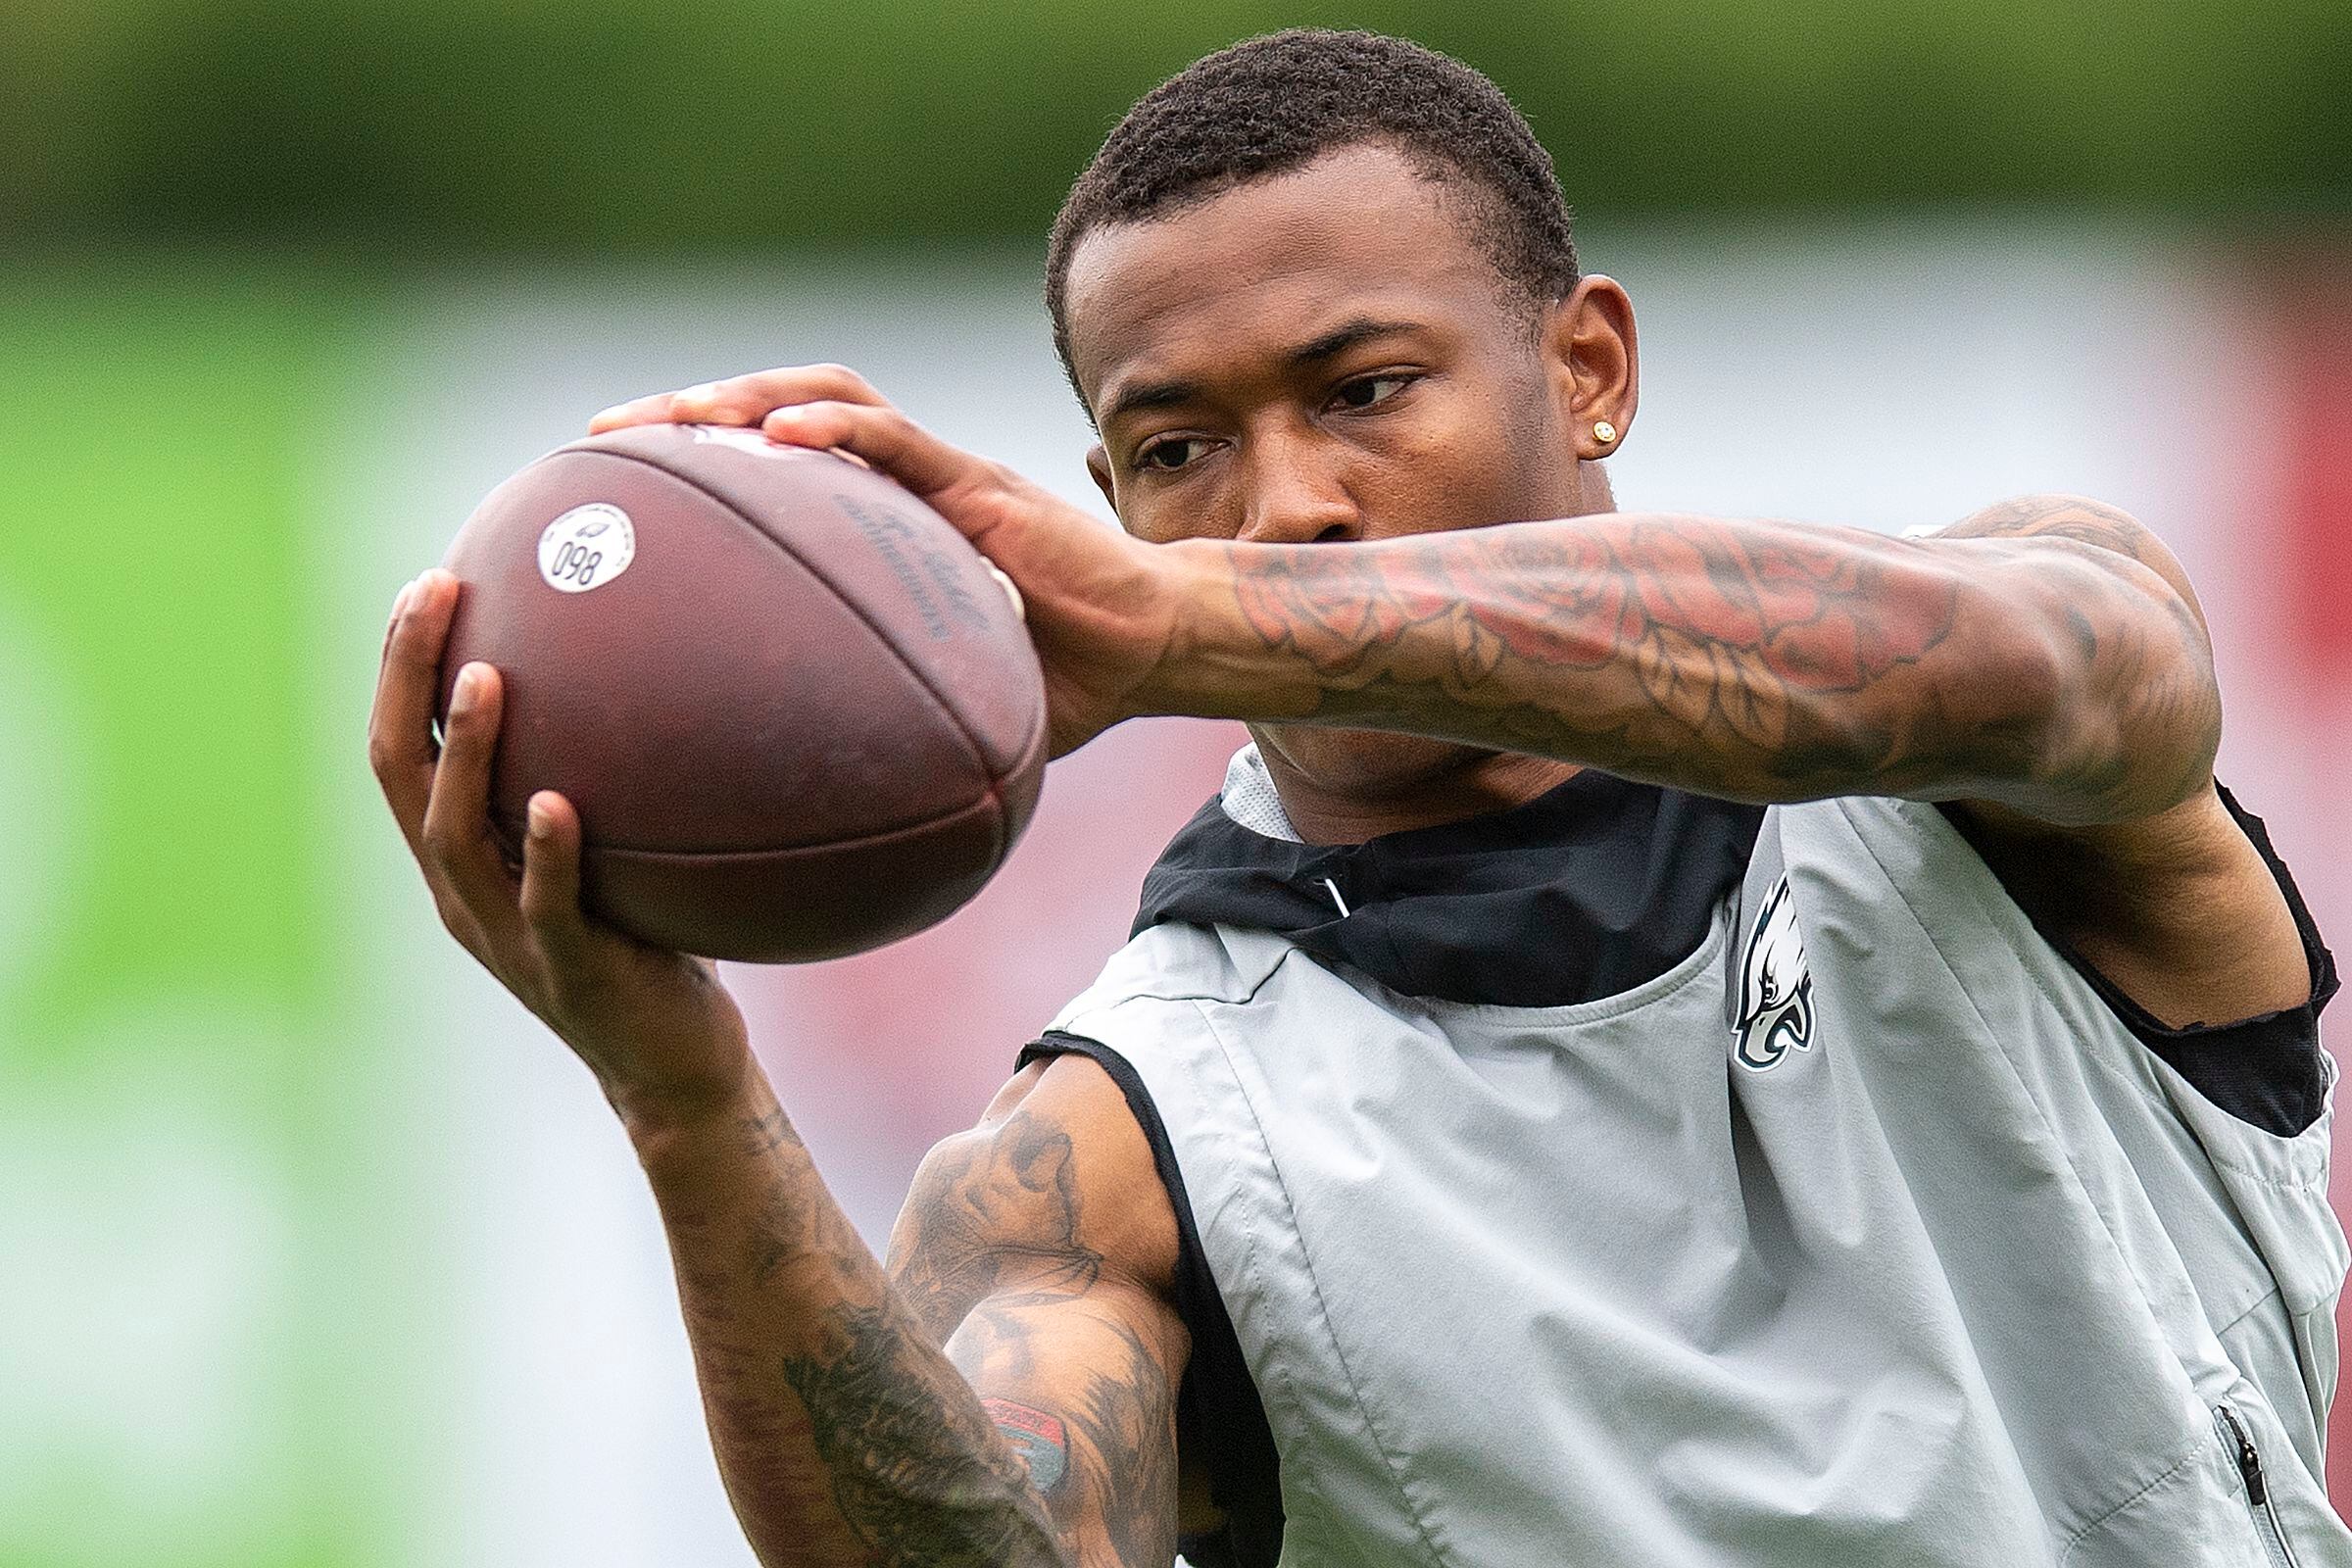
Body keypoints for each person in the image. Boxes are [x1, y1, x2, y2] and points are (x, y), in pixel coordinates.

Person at [368, 28, 2345, 1568]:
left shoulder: (1984, 714)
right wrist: (684, 1098)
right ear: (1105, 486)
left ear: (1587, 368)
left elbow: (2067, 673)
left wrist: (1190, 615)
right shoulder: (1121, 1134)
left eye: (1365, 388)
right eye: (1175, 447)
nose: (1283, 499)